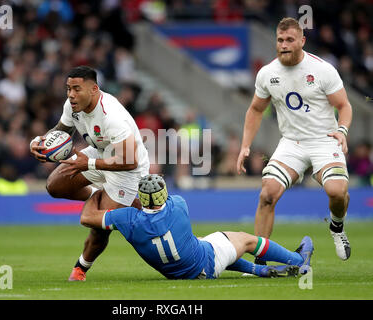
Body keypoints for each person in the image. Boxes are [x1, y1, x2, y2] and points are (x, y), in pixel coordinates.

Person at [236, 18, 352, 262]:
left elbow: (344, 105)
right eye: (280, 40)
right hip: (292, 143)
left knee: (337, 192)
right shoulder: (267, 74)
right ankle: (260, 258)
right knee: (268, 193)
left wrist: (342, 130)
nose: (284, 45)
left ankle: (337, 227)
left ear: (302, 41)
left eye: (290, 40)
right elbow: (256, 110)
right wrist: (245, 145)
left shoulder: (322, 69)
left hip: (324, 140)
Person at [29, 66, 150, 281]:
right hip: (99, 153)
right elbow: (61, 131)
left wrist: (91, 164)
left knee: (99, 225)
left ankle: (80, 269)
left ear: (94, 89)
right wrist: (40, 142)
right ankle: (102, 195)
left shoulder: (111, 116)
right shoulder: (72, 106)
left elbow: (129, 160)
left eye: (77, 89)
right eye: (68, 89)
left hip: (128, 168)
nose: (71, 95)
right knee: (54, 185)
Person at [80, 174, 313, 279]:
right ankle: (297, 260)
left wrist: (95, 192)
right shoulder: (178, 205)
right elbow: (164, 202)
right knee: (246, 239)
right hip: (203, 265)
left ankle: (258, 270)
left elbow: (87, 218)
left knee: (204, 242)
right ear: (163, 195)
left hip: (176, 271)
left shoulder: (126, 219)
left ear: (140, 198)